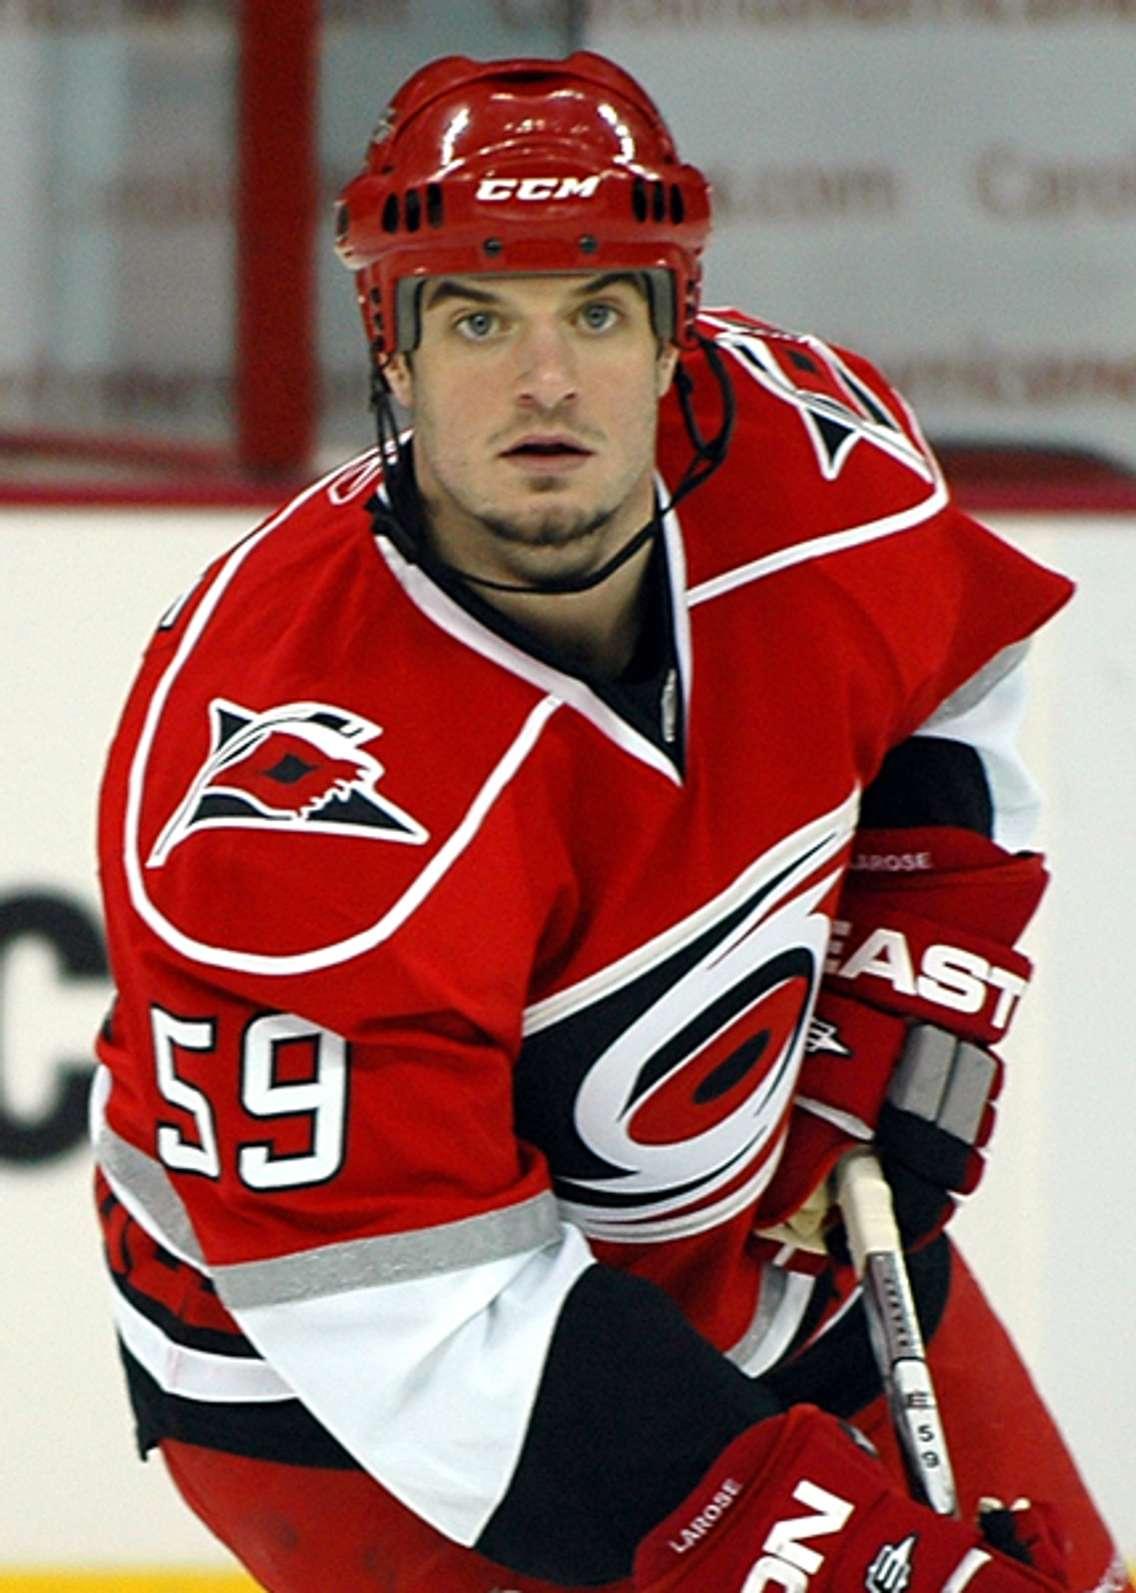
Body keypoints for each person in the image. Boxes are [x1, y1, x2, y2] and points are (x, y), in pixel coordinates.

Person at [90, 50, 1130, 1593]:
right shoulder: (283, 790)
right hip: (342, 1396)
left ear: (673, 329)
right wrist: (847, 1567)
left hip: (751, 1234)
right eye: (475, 319)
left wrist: (907, 991)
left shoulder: (814, 470)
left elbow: (950, 673)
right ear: (389, 341)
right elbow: (427, 1335)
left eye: (595, 311)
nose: (546, 382)